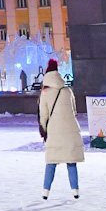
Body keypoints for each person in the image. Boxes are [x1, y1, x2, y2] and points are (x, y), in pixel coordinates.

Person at [37, 58, 84, 200]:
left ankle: (46, 191)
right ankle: (75, 191)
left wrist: (44, 131)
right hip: (70, 130)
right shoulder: (67, 91)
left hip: (55, 131)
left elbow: (43, 116)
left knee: (51, 162)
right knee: (71, 162)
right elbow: (74, 111)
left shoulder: (45, 93)